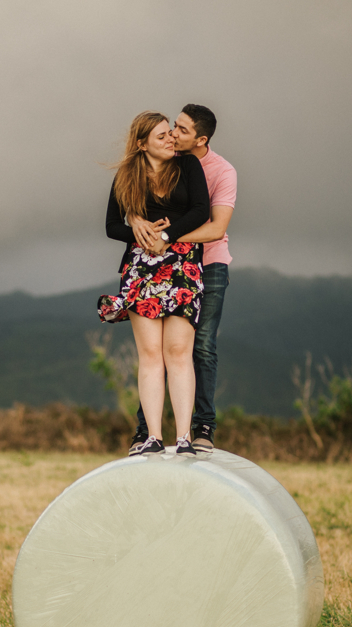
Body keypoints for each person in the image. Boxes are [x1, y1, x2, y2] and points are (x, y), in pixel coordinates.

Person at [98, 111, 212, 457]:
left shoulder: (188, 167)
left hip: (181, 266)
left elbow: (200, 211)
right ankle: (152, 437)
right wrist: (138, 228)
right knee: (150, 355)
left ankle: (183, 438)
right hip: (141, 269)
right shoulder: (127, 175)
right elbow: (110, 226)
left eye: (171, 134)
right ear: (141, 143)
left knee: (178, 352)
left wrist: (165, 234)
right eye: (162, 136)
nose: (170, 140)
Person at [126, 104, 236, 455]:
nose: (173, 133)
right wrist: (135, 219)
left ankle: (202, 426)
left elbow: (216, 226)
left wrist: (168, 238)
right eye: (173, 126)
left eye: (182, 130)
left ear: (201, 140)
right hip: (165, 265)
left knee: (199, 347)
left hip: (209, 263)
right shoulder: (167, 160)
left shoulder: (220, 171)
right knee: (154, 351)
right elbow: (137, 198)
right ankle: (148, 430)